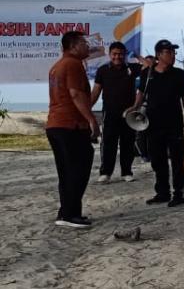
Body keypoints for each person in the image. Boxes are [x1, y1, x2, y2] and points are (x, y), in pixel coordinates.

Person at [127, 39, 184, 207]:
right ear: (158, 55)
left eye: (173, 52)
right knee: (157, 159)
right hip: (153, 123)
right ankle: (162, 192)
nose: (172, 55)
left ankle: (179, 193)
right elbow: (141, 94)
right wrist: (134, 108)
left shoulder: (179, 74)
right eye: (168, 52)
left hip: (174, 123)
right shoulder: (147, 74)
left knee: (177, 160)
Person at [46, 31, 100, 228]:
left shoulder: (57, 66)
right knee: (78, 168)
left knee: (67, 171)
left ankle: (68, 212)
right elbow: (76, 94)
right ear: (74, 46)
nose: (87, 46)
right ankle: (69, 214)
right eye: (84, 43)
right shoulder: (72, 64)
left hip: (56, 124)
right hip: (70, 125)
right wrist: (92, 120)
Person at [90, 41, 148, 182]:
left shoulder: (132, 68)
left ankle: (126, 172)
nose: (118, 57)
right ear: (110, 55)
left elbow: (149, 67)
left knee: (127, 143)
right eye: (115, 54)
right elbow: (96, 90)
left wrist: (138, 56)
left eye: (121, 54)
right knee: (108, 143)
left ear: (125, 55)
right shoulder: (102, 70)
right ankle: (106, 173)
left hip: (128, 114)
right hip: (109, 112)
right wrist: (87, 107)